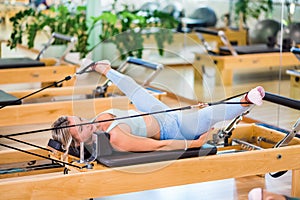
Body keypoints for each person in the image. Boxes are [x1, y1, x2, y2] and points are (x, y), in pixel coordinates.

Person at [52, 60, 265, 155]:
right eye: (81, 129)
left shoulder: (98, 122)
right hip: (175, 129)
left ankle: (105, 69)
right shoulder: (117, 138)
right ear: (79, 143)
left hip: (162, 113)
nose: (87, 123)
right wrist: (196, 143)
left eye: (81, 120)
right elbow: (158, 147)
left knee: (135, 92)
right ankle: (246, 100)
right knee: (209, 114)